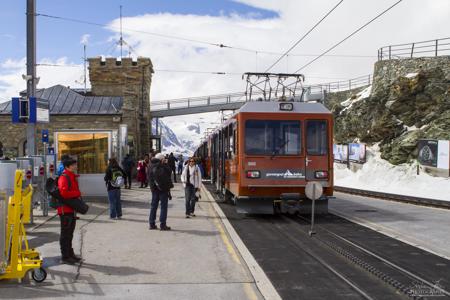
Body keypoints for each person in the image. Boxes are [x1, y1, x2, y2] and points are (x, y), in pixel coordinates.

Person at [58, 156, 82, 264]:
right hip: (65, 210)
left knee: (70, 233)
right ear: (68, 166)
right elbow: (64, 193)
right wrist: (77, 193)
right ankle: (65, 256)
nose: (76, 166)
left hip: (71, 209)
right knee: (65, 234)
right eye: (74, 164)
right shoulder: (64, 177)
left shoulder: (71, 176)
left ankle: (70, 253)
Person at [148, 153, 173, 231]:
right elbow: (169, 172)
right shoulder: (162, 166)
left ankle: (151, 224)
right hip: (163, 190)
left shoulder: (150, 165)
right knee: (163, 207)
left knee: (153, 207)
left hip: (154, 190)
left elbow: (148, 177)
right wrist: (165, 164)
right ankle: (163, 224)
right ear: (161, 159)